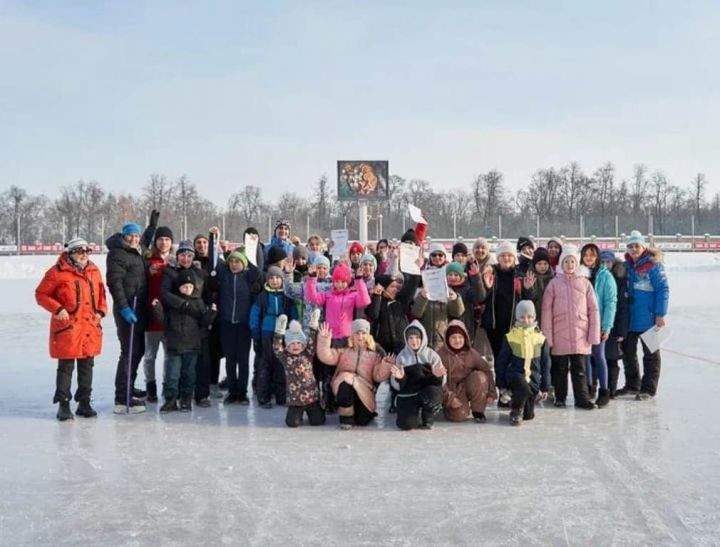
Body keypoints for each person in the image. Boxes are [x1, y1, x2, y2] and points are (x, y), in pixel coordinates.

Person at [35, 237, 107, 421]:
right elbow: (41, 294)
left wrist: (100, 311)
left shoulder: (94, 270)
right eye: (79, 251)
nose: (84, 255)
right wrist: (57, 308)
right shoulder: (57, 272)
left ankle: (84, 402)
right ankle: (63, 404)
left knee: (87, 366)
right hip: (68, 327)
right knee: (66, 367)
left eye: (86, 251)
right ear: (71, 253)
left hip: (89, 326)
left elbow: (101, 293)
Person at [305, 262, 371, 411]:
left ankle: (344, 400)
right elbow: (312, 297)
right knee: (328, 371)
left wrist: (359, 280)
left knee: (345, 370)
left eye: (342, 281)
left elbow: (365, 301)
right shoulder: (328, 295)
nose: (339, 284)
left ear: (347, 281)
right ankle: (328, 401)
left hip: (347, 339)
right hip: (330, 339)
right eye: (336, 281)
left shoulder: (353, 295)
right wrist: (311, 278)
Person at [541, 244, 600, 410]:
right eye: (566, 261)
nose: (569, 265)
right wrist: (548, 338)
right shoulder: (553, 284)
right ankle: (560, 397)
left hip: (580, 334)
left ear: (577, 263)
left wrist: (593, 335)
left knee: (579, 369)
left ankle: (582, 398)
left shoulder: (585, 283)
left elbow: (593, 310)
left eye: (572, 262)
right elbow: (546, 311)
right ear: (561, 263)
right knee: (559, 369)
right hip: (559, 334)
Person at [106, 218, 155, 414]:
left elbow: (145, 241)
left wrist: (152, 226)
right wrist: (124, 308)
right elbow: (114, 284)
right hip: (127, 309)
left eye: (136, 235)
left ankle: (130, 386)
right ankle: (122, 397)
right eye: (130, 235)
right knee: (129, 352)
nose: (134, 239)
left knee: (138, 349)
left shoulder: (136, 250)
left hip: (139, 307)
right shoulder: (117, 254)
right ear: (124, 236)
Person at [153, 270, 217, 412]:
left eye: (190, 287)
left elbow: (204, 322)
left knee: (189, 374)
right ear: (179, 287)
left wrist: (211, 313)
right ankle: (171, 400)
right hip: (174, 345)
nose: (187, 289)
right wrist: (157, 308)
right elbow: (164, 322)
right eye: (184, 287)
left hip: (192, 346)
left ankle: (186, 400)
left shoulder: (198, 302)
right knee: (173, 375)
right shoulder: (172, 303)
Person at [618, 231, 669, 400]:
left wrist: (660, 314)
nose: (633, 249)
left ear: (643, 247)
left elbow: (663, 289)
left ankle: (648, 388)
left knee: (651, 355)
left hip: (649, 319)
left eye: (637, 246)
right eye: (630, 246)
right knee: (628, 353)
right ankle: (633, 385)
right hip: (631, 320)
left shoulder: (654, 266)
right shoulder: (625, 267)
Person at [161, 239, 212, 407]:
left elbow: (205, 293)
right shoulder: (170, 271)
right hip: (176, 324)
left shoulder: (199, 273)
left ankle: (192, 397)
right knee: (173, 368)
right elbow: (165, 294)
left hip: (195, 325)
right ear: (177, 256)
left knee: (193, 367)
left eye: (189, 255)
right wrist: (184, 304)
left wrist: (207, 313)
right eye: (182, 255)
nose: (186, 259)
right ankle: (171, 398)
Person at [316, 319, 394, 430]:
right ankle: (346, 417)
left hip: (364, 389)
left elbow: (378, 376)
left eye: (363, 333)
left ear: (368, 335)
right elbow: (326, 356)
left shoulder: (374, 354)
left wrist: (386, 365)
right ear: (352, 334)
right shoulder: (344, 349)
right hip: (345, 382)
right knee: (346, 383)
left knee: (362, 421)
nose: (360, 336)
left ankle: (362, 412)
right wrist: (324, 340)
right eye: (357, 333)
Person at [212, 249, 259, 405]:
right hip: (226, 324)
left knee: (243, 360)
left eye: (237, 261)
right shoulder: (224, 276)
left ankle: (242, 392)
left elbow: (256, 268)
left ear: (243, 264)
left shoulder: (248, 277)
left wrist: (252, 245)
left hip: (243, 325)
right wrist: (215, 239)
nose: (234, 264)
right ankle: (232, 391)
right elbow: (214, 260)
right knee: (230, 360)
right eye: (231, 261)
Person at [481, 241, 536, 371]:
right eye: (503, 255)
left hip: (514, 325)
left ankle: (513, 386)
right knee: (499, 357)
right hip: (494, 325)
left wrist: (528, 289)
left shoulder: (520, 275)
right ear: (498, 257)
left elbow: (529, 301)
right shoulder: (490, 273)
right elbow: (481, 298)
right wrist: (487, 287)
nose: (506, 258)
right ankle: (501, 387)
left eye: (509, 256)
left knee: (513, 358)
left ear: (514, 258)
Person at [494, 300, 551, 426]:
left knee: (528, 416)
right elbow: (501, 362)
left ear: (534, 317)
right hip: (515, 375)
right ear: (517, 317)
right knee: (523, 388)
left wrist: (545, 386)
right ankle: (515, 411)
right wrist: (501, 384)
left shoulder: (541, 339)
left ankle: (519, 403)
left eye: (529, 317)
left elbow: (546, 364)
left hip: (533, 378)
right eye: (522, 317)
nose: (526, 320)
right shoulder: (510, 337)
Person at [250, 266, 295, 408]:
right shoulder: (262, 296)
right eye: (271, 278)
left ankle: (282, 395)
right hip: (267, 333)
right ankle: (263, 395)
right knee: (266, 363)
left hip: (283, 333)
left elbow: (293, 314)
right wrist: (255, 331)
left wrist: (293, 329)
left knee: (281, 364)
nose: (274, 281)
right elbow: (254, 314)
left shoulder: (287, 297)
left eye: (277, 278)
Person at [580, 243, 617, 407]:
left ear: (597, 257)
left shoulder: (605, 276)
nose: (589, 258)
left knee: (599, 355)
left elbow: (611, 302)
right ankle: (589, 388)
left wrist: (607, 326)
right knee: (586, 357)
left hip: (599, 323)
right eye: (586, 254)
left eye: (592, 255)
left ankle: (604, 390)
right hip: (581, 323)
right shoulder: (579, 274)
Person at [437, 320, 495, 423]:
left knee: (480, 377)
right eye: (454, 337)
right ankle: (448, 408)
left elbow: (486, 370)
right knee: (460, 416)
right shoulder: (441, 355)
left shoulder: (471, 353)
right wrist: (449, 398)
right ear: (447, 339)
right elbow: (437, 380)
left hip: (466, 385)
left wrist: (491, 393)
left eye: (460, 337)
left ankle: (478, 411)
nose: (457, 340)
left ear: (465, 338)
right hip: (451, 391)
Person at [273, 315, 326, 427]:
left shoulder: (308, 354)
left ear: (303, 344)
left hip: (312, 398)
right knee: (292, 423)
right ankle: (297, 415)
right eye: (292, 343)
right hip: (295, 400)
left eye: (298, 343)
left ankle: (316, 411)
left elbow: (312, 341)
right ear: (287, 346)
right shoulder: (285, 357)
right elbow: (277, 348)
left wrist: (313, 325)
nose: (295, 346)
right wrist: (279, 332)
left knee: (318, 421)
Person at [142, 226, 175, 403]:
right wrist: (147, 272)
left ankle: (167, 385)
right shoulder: (148, 260)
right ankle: (150, 387)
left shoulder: (175, 260)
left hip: (170, 315)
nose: (164, 243)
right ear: (156, 242)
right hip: (152, 314)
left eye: (167, 240)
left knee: (169, 354)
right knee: (150, 355)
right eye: (161, 239)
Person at [393, 321, 445, 430]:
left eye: (417, 337)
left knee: (433, 394)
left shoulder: (431, 355)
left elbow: (442, 380)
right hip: (409, 393)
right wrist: (400, 378)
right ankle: (412, 414)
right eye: (410, 338)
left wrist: (436, 376)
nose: (414, 341)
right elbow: (396, 385)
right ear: (406, 339)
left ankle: (428, 414)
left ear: (422, 338)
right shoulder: (401, 357)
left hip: (427, 391)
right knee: (406, 424)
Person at [599, 250, 629, 398]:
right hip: (597, 324)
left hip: (614, 326)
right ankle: (597, 387)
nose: (605, 265)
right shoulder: (596, 276)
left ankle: (611, 389)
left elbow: (623, 307)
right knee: (596, 358)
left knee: (611, 359)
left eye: (608, 262)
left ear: (613, 263)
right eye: (602, 262)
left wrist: (622, 331)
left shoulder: (619, 278)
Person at [411, 278, 465, 351]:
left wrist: (456, 299)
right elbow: (416, 313)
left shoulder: (447, 295)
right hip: (424, 338)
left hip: (441, 338)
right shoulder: (421, 295)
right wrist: (423, 298)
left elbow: (457, 313)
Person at [529, 247, 554, 328]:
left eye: (545, 264)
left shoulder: (553, 277)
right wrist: (528, 288)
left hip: (551, 314)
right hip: (535, 314)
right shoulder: (530, 277)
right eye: (539, 264)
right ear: (534, 264)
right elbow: (530, 297)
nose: (542, 266)